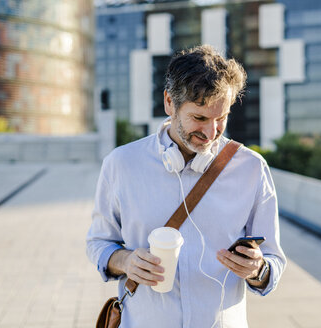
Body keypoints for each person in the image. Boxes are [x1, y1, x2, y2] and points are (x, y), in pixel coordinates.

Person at [86, 45, 286, 328]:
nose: (211, 132)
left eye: (221, 118)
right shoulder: (121, 164)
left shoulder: (252, 168)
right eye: (200, 118)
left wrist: (258, 269)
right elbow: (98, 243)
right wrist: (125, 261)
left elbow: (273, 262)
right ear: (170, 102)